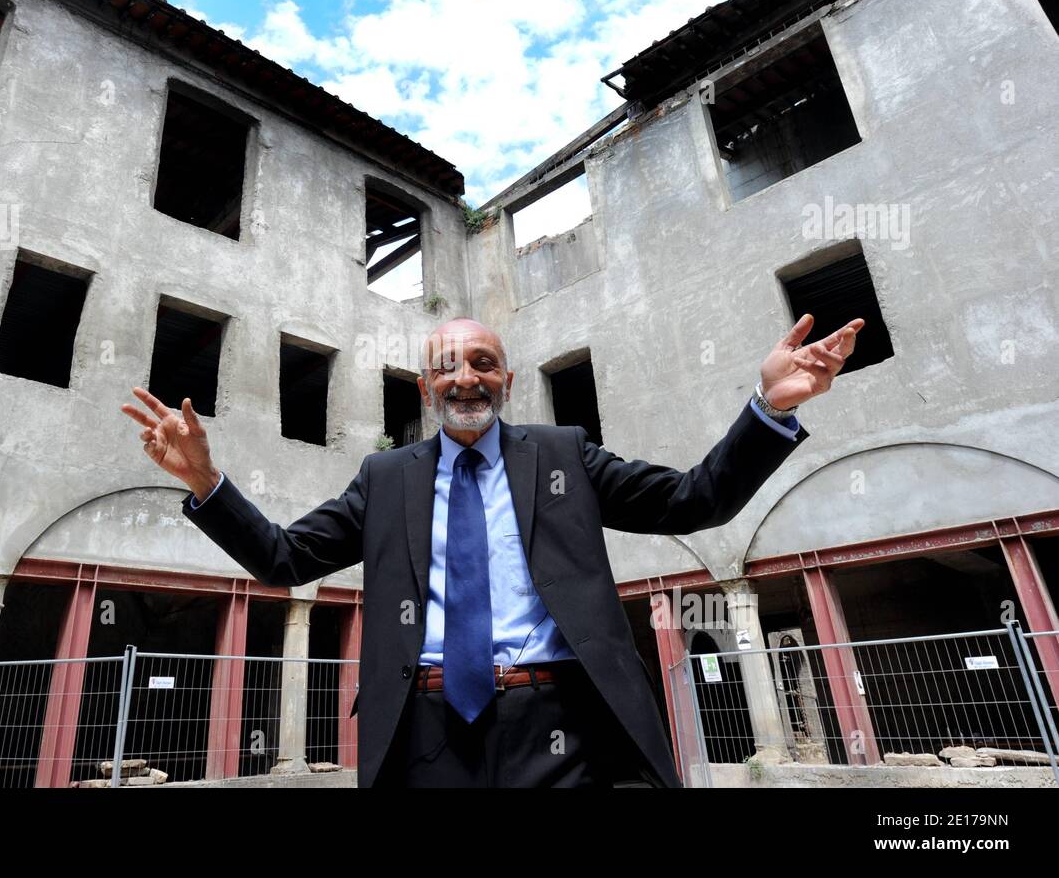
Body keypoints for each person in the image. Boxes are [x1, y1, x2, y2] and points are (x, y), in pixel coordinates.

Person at [121, 313, 863, 787]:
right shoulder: (385, 478)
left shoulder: (565, 454)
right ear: (424, 386)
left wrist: (769, 408)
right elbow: (285, 558)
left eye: (481, 362)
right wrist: (206, 481)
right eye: (447, 364)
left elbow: (694, 499)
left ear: (506, 380)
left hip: (561, 723)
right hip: (426, 732)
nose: (464, 377)